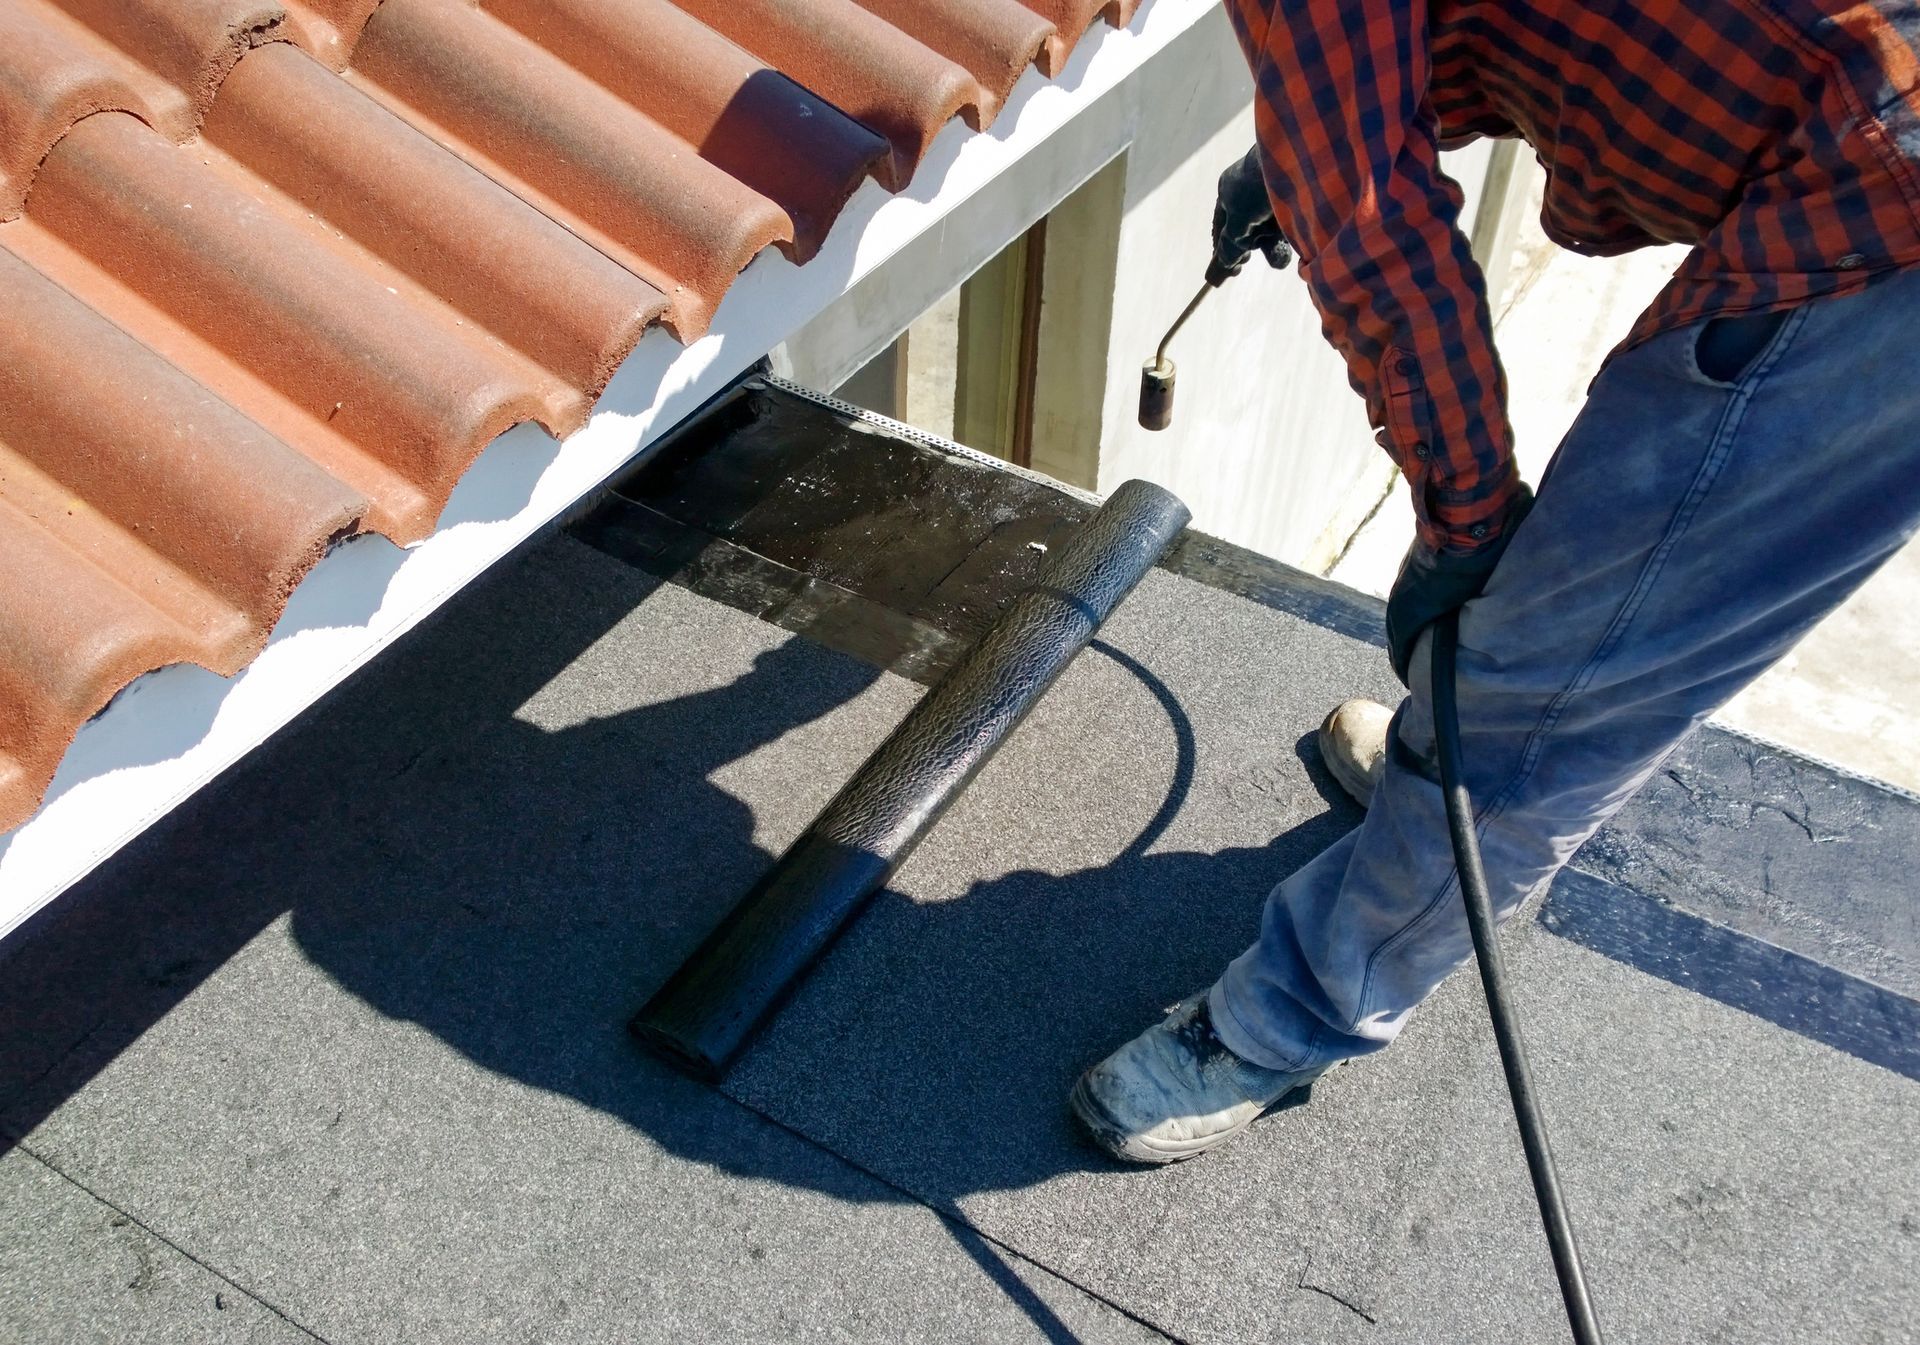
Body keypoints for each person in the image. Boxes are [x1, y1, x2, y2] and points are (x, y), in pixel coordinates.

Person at [1070, 0, 1920, 1163]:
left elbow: (1382, 249)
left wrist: (1465, 527)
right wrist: (1307, 143)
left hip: (1888, 237)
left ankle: (1294, 1012)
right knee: (1528, 656)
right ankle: (1440, 783)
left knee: (1555, 682)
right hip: (1860, 132)